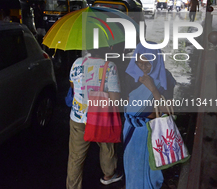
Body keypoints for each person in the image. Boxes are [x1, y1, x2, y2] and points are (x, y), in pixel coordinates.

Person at [67, 47, 123, 189]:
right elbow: (115, 99)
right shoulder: (109, 67)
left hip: (78, 117)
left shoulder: (77, 63)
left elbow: (73, 86)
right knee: (107, 146)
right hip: (100, 118)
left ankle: (73, 186)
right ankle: (108, 175)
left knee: (75, 157)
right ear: (107, 49)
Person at [123, 43, 176, 189]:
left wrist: (152, 88)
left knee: (151, 169)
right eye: (139, 62)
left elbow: (169, 110)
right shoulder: (131, 76)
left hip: (152, 131)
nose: (143, 67)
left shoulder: (165, 78)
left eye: (148, 63)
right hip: (132, 130)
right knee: (132, 167)